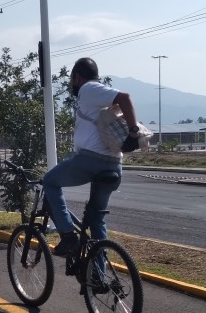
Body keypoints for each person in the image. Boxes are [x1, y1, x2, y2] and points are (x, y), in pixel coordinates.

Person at [42, 57, 141, 256]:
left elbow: (125, 97)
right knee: (96, 220)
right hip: (114, 165)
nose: (72, 84)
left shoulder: (88, 89)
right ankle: (98, 276)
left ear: (77, 77)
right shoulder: (95, 97)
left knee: (50, 181)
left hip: (91, 161)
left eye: (72, 80)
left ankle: (68, 236)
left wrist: (133, 132)